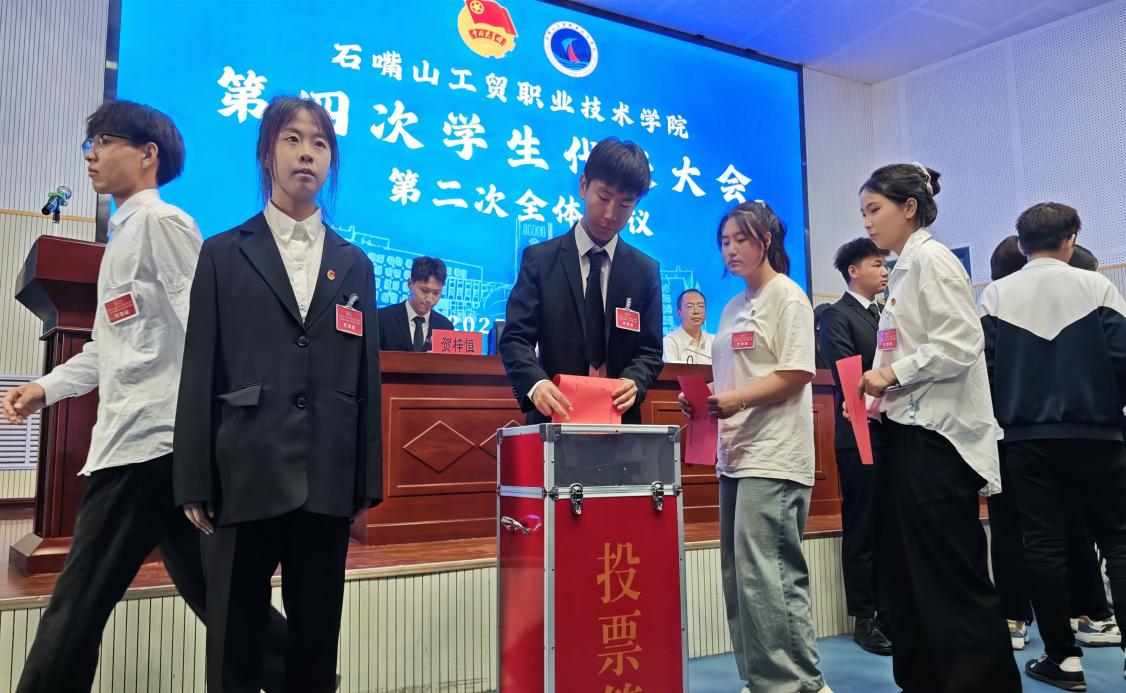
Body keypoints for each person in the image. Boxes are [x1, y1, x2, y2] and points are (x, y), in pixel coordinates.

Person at [0, 100, 287, 692]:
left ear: (147, 154)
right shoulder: (123, 237)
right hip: (148, 448)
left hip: (149, 449)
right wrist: (45, 388)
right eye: (90, 144)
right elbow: (108, 350)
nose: (91, 155)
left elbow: (210, 329)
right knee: (221, 600)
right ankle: (305, 677)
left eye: (103, 141)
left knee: (76, 605)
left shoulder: (162, 224)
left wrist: (226, 441)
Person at [173, 96, 383, 693]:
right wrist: (193, 477)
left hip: (327, 476)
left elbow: (365, 375)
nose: (306, 153)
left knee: (315, 641)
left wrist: (366, 478)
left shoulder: (355, 264)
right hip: (244, 469)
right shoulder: (222, 253)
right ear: (267, 153)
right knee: (233, 641)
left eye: (320, 143)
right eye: (293, 139)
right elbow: (200, 367)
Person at [853, 163, 1020, 692]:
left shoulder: (933, 260)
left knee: (950, 574)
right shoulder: (904, 268)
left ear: (909, 207)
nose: (867, 222)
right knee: (910, 573)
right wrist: (877, 391)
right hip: (908, 431)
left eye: (874, 209)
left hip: (938, 439)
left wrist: (890, 374)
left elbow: (959, 343)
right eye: (863, 213)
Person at [682, 201, 830, 693]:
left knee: (771, 575)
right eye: (724, 241)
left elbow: (797, 372)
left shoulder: (787, 296)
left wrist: (739, 399)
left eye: (741, 239)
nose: (730, 249)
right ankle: (768, 679)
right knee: (741, 575)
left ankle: (793, 683)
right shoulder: (731, 307)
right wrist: (704, 400)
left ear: (766, 240)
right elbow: (734, 376)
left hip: (775, 454)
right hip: (736, 454)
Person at [979, 202, 1126, 689]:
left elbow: (987, 371)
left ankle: (1063, 660)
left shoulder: (996, 294)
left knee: (1042, 545)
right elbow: (1122, 358)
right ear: (1071, 240)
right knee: (1119, 541)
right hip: (1100, 435)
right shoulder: (1096, 286)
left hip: (1026, 439)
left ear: (1021, 244)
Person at [499, 137, 663, 424]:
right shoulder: (541, 260)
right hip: (553, 418)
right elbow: (515, 338)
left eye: (625, 204)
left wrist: (635, 381)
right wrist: (535, 384)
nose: (611, 214)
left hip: (619, 423)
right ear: (584, 185)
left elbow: (650, 352)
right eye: (604, 197)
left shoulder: (644, 271)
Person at [818, 237, 893, 656]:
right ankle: (864, 617)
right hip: (859, 430)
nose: (884, 271)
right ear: (853, 271)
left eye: (885, 265)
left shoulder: (886, 313)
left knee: (890, 523)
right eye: (877, 264)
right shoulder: (836, 315)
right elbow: (846, 371)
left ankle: (890, 609)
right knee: (863, 525)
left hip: (893, 431)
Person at [377, 256, 455, 351]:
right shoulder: (382, 318)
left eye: (436, 293)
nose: (429, 299)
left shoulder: (445, 327)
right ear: (410, 284)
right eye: (424, 290)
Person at [664, 289, 713, 364]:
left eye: (700, 306)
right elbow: (671, 371)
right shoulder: (670, 342)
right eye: (689, 307)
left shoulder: (713, 341)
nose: (696, 311)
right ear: (678, 313)